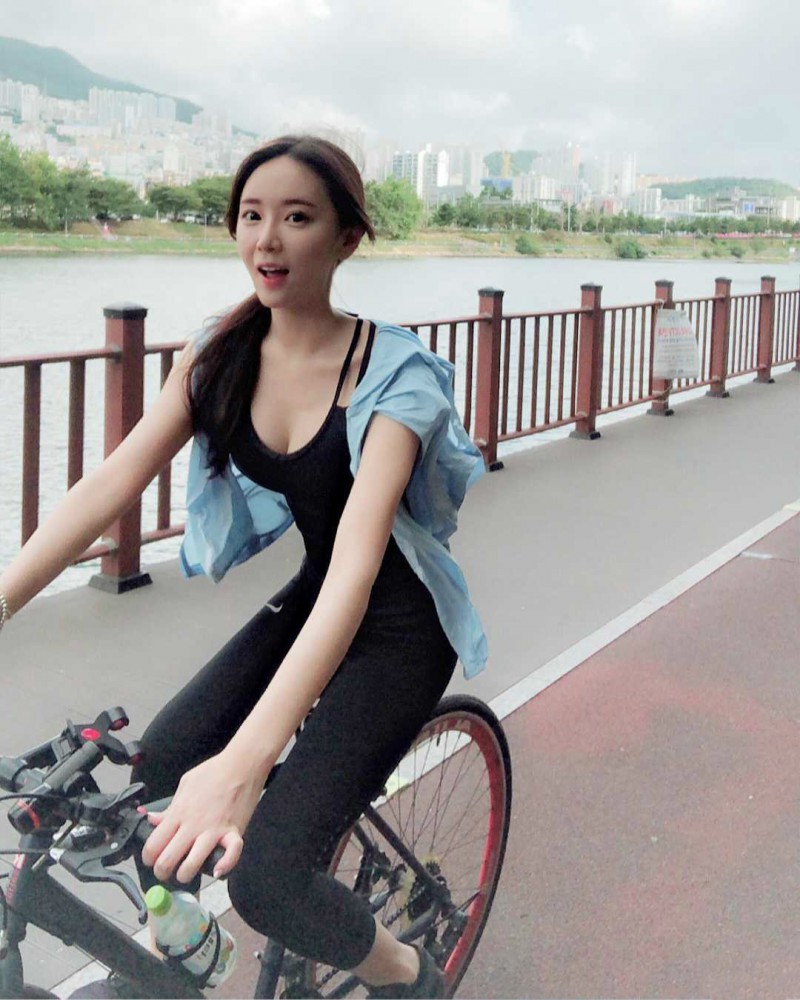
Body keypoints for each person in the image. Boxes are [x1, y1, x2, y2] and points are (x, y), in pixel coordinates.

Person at [0, 135, 487, 998]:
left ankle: (411, 976)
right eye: (251, 216)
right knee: (154, 786)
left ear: (345, 238)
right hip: (314, 599)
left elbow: (357, 572)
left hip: (399, 629)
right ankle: (186, 962)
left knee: (268, 881)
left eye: (297, 217)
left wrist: (244, 765)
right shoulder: (222, 354)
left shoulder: (395, 379)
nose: (267, 238)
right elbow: (111, 483)